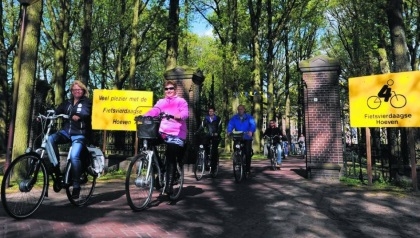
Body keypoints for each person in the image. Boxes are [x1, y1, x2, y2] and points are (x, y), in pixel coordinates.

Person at [48, 80, 92, 199]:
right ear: (71, 91)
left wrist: (79, 115)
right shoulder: (67, 103)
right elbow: (57, 111)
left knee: (74, 156)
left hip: (79, 134)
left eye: (79, 89)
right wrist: (47, 115)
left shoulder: (86, 102)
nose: (77, 91)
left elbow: (85, 111)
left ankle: (76, 185)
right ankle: (55, 166)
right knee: (50, 139)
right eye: (74, 90)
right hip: (66, 132)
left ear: (83, 91)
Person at [144, 80, 189, 196]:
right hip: (163, 132)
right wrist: (145, 116)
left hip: (177, 133)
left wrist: (179, 116)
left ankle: (169, 185)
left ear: (175, 90)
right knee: (149, 141)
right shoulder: (161, 102)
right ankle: (159, 169)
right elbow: (156, 110)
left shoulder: (181, 101)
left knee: (170, 154)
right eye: (166, 89)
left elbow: (185, 113)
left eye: (171, 88)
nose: (169, 90)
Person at [227, 105, 256, 175]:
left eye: (241, 109)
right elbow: (230, 124)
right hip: (238, 137)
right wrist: (229, 131)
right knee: (236, 149)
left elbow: (253, 124)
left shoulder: (249, 117)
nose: (240, 111)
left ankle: (247, 170)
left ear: (244, 110)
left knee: (248, 153)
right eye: (239, 109)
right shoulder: (234, 118)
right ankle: (237, 163)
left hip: (247, 137)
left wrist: (251, 131)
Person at [198, 106, 222, 172]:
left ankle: (213, 168)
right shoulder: (206, 119)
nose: (210, 112)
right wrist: (197, 132)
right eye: (209, 111)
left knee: (214, 150)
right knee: (205, 147)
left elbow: (220, 128)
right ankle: (206, 163)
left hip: (215, 136)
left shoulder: (218, 119)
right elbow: (202, 126)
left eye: (212, 111)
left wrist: (217, 133)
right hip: (208, 135)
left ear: (214, 112)